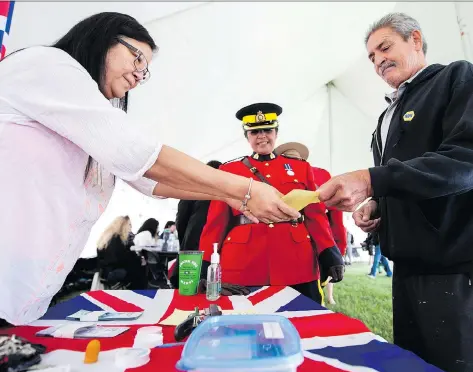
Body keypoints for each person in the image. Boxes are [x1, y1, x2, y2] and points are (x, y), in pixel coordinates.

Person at [0, 13, 301, 326]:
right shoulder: (48, 66)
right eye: (137, 57)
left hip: (25, 295)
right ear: (102, 37)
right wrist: (244, 189)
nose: (138, 75)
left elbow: (147, 180)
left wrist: (230, 196)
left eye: (145, 71)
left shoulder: (88, 115)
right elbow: (140, 157)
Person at [317, 12, 473, 372]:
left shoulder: (456, 77)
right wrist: (377, 206)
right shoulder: (386, 115)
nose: (378, 61)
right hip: (404, 268)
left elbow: (464, 160)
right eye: (371, 57)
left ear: (415, 39)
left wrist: (371, 180)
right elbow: (401, 181)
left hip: (452, 266)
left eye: (384, 48)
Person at [199, 103, 344, 303]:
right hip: (244, 263)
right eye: (255, 132)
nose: (262, 136)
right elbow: (216, 222)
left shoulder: (301, 168)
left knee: (302, 320)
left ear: (276, 132)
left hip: (296, 262)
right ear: (246, 136)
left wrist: (328, 250)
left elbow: (316, 215)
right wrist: (205, 263)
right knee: (244, 324)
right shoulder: (229, 170)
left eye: (267, 130)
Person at [275, 142, 346, 304]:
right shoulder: (273, 178)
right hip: (286, 244)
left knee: (311, 288)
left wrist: (336, 251)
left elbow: (335, 216)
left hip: (315, 242)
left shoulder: (320, 175)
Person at [171, 160, 223, 288]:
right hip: (218, 251)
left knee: (187, 293)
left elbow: (181, 221)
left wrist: (186, 242)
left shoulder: (192, 190)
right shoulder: (226, 193)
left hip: (193, 249)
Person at [96, 216, 146, 289]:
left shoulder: (108, 237)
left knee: (136, 265)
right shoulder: (116, 239)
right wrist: (139, 258)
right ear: (123, 226)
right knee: (139, 268)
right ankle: (138, 293)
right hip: (113, 272)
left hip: (106, 271)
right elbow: (122, 258)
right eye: (129, 224)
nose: (131, 227)